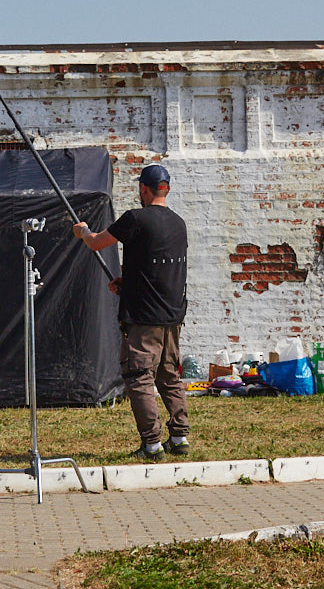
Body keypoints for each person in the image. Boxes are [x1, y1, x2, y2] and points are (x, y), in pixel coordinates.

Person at [72, 164, 190, 462]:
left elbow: (96, 243)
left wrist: (83, 232)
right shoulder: (179, 224)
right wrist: (127, 281)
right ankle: (180, 437)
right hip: (172, 317)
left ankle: (152, 444)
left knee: (139, 378)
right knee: (168, 376)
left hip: (143, 319)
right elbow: (156, 266)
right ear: (167, 189)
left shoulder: (135, 218)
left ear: (143, 189)